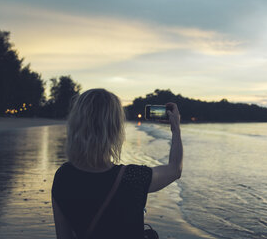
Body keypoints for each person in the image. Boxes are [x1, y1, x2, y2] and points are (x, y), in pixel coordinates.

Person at [51, 88, 183, 239]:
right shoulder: (133, 178)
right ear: (115, 129)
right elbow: (175, 169)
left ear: (76, 124)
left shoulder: (63, 176)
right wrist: (176, 129)